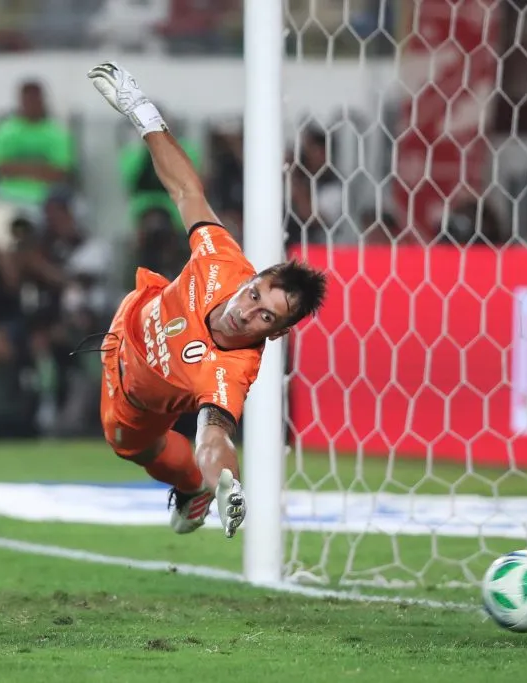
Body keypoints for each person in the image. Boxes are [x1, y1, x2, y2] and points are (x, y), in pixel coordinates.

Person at [86, 61, 327, 539]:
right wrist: (142, 111)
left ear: (277, 332)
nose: (245, 312)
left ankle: (194, 489)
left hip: (137, 402)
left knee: (134, 447)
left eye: (265, 316)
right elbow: (185, 191)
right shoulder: (221, 260)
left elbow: (213, 436)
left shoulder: (231, 370)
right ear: (250, 277)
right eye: (254, 294)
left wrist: (226, 483)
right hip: (128, 319)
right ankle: (193, 488)